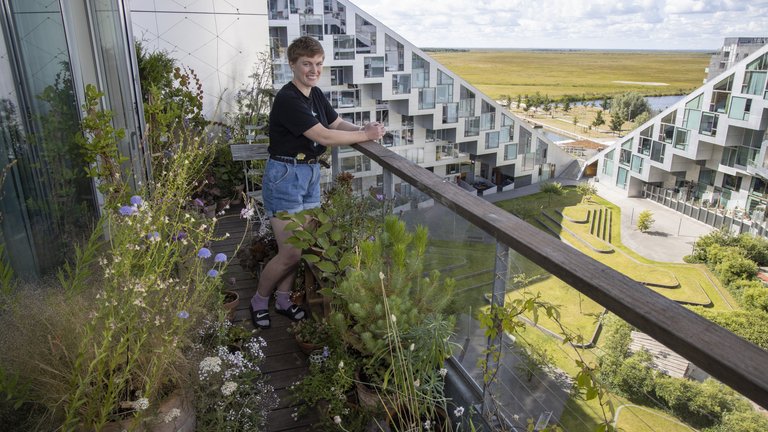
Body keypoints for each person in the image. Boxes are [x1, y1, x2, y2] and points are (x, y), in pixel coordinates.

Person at [251, 36, 386, 329]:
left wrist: (363, 128)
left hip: (309, 174)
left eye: (319, 64)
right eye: (307, 64)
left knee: (300, 245)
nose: (314, 70)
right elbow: (323, 136)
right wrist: (365, 136)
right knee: (290, 252)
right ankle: (259, 300)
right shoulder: (288, 99)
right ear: (292, 64)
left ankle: (283, 299)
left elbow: (335, 124)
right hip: (285, 177)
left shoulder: (315, 94)